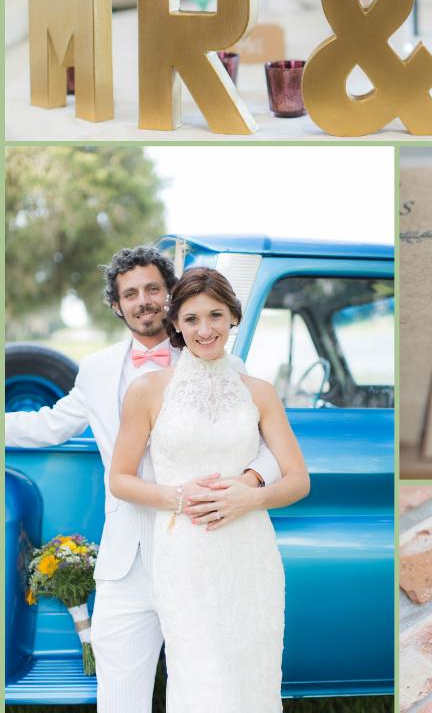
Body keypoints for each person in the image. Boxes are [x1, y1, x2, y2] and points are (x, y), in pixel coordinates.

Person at [5, 247, 283, 712]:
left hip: (206, 545)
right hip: (126, 556)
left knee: (207, 685)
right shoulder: (95, 370)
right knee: (119, 694)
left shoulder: (215, 354)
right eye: (130, 294)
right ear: (117, 305)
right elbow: (49, 424)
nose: (143, 301)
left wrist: (250, 481)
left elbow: (268, 448)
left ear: (170, 294)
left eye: (153, 288)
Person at [109, 266, 309, 711]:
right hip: (187, 557)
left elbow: (298, 479)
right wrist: (178, 498)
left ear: (233, 317)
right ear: (175, 323)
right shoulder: (148, 391)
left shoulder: (258, 392)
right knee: (202, 681)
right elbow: (120, 478)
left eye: (216, 316)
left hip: (251, 555)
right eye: (193, 318)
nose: (206, 329)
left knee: (252, 683)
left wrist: (252, 497)